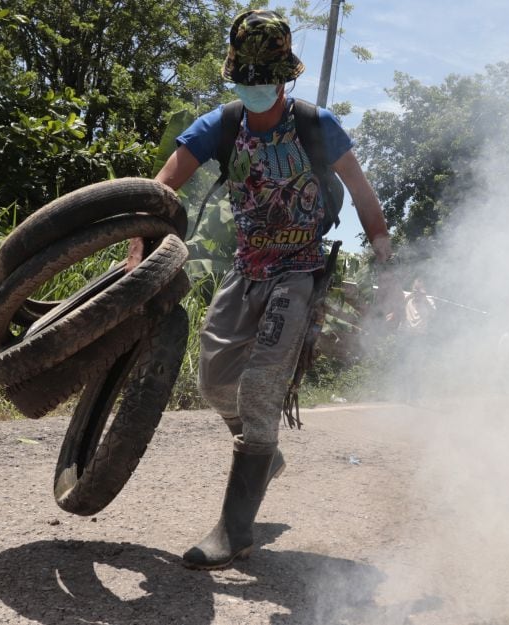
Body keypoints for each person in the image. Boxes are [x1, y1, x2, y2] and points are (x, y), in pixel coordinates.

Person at [126, 10, 393, 570]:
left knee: (262, 384)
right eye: (245, 76)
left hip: (299, 272)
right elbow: (162, 187)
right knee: (214, 379)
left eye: (263, 76)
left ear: (283, 77)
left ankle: (235, 529)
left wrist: (386, 262)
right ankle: (263, 453)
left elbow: (365, 198)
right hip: (246, 268)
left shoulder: (316, 125)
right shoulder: (221, 126)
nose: (254, 86)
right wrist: (138, 253)